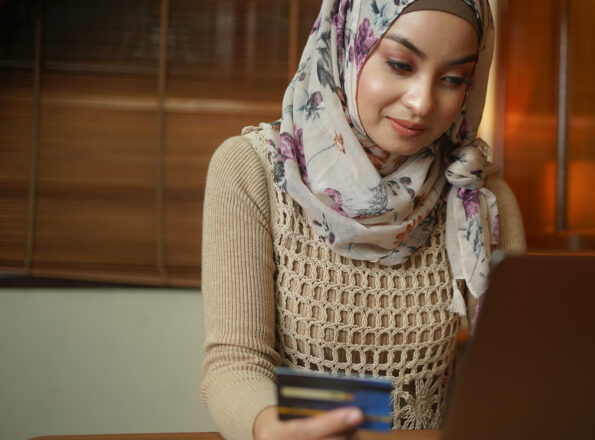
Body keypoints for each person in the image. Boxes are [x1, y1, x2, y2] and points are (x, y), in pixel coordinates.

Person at [200, 0, 525, 439]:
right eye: (399, 64)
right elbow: (234, 364)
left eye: (453, 79)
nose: (422, 102)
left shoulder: (477, 197)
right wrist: (271, 430)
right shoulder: (253, 170)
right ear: (345, 44)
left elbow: (515, 372)